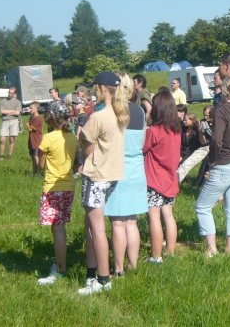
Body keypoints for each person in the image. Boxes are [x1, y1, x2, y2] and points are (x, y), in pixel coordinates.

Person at [78, 72, 129, 295]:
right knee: (91, 226)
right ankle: (92, 273)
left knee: (97, 229)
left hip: (96, 176)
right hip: (112, 175)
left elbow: (86, 145)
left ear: (100, 89)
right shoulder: (121, 114)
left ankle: (102, 279)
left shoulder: (98, 117)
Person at [195, 77, 230, 255]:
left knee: (202, 207)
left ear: (223, 90)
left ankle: (211, 249)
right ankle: (229, 249)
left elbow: (216, 140)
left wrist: (211, 160)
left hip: (225, 163)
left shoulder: (220, 110)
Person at [104, 73, 148, 277]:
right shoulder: (140, 111)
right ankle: (133, 265)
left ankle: (118, 268)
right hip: (137, 170)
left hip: (117, 170)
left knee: (117, 223)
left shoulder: (112, 111)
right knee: (132, 222)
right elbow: (142, 142)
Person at [36, 100, 78, 285]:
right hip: (69, 187)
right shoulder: (73, 137)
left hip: (53, 187)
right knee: (58, 226)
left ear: (51, 118)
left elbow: (40, 165)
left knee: (58, 228)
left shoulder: (48, 138)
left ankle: (61, 269)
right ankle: (59, 259)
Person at [142, 91, 181, 264]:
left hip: (154, 180)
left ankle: (156, 256)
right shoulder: (176, 131)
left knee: (154, 217)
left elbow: (142, 149)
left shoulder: (154, 131)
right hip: (170, 179)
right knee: (168, 215)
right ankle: (170, 251)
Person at [178, 105, 213, 183]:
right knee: (185, 164)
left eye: (207, 115)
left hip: (214, 148)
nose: (205, 117)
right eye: (204, 115)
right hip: (202, 147)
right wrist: (200, 129)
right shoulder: (202, 123)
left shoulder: (218, 123)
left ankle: (199, 183)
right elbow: (202, 142)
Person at [0, 87, 22, 160]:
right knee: (2, 139)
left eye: (11, 93)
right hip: (5, 120)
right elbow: (2, 111)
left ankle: (9, 156)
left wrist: (7, 112)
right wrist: (13, 111)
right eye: (9, 92)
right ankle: (1, 156)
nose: (9, 94)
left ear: (15, 93)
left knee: (11, 139)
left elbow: (17, 113)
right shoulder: (3, 101)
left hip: (14, 120)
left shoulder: (18, 102)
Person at [25, 102, 43, 174]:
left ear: (36, 109)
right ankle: (34, 171)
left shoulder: (38, 119)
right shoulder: (31, 118)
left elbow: (31, 129)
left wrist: (27, 125)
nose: (30, 109)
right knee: (32, 156)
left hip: (36, 140)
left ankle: (38, 171)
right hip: (31, 140)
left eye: (31, 108)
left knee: (36, 156)